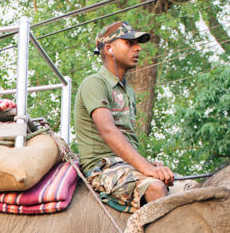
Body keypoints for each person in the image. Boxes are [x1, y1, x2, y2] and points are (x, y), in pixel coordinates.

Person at [72, 20, 174, 209]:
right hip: (102, 168)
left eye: (137, 44)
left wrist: (150, 165)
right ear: (110, 49)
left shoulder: (128, 91)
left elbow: (128, 139)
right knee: (155, 188)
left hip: (126, 166)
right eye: (129, 43)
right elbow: (108, 131)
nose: (138, 49)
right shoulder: (94, 83)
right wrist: (147, 169)